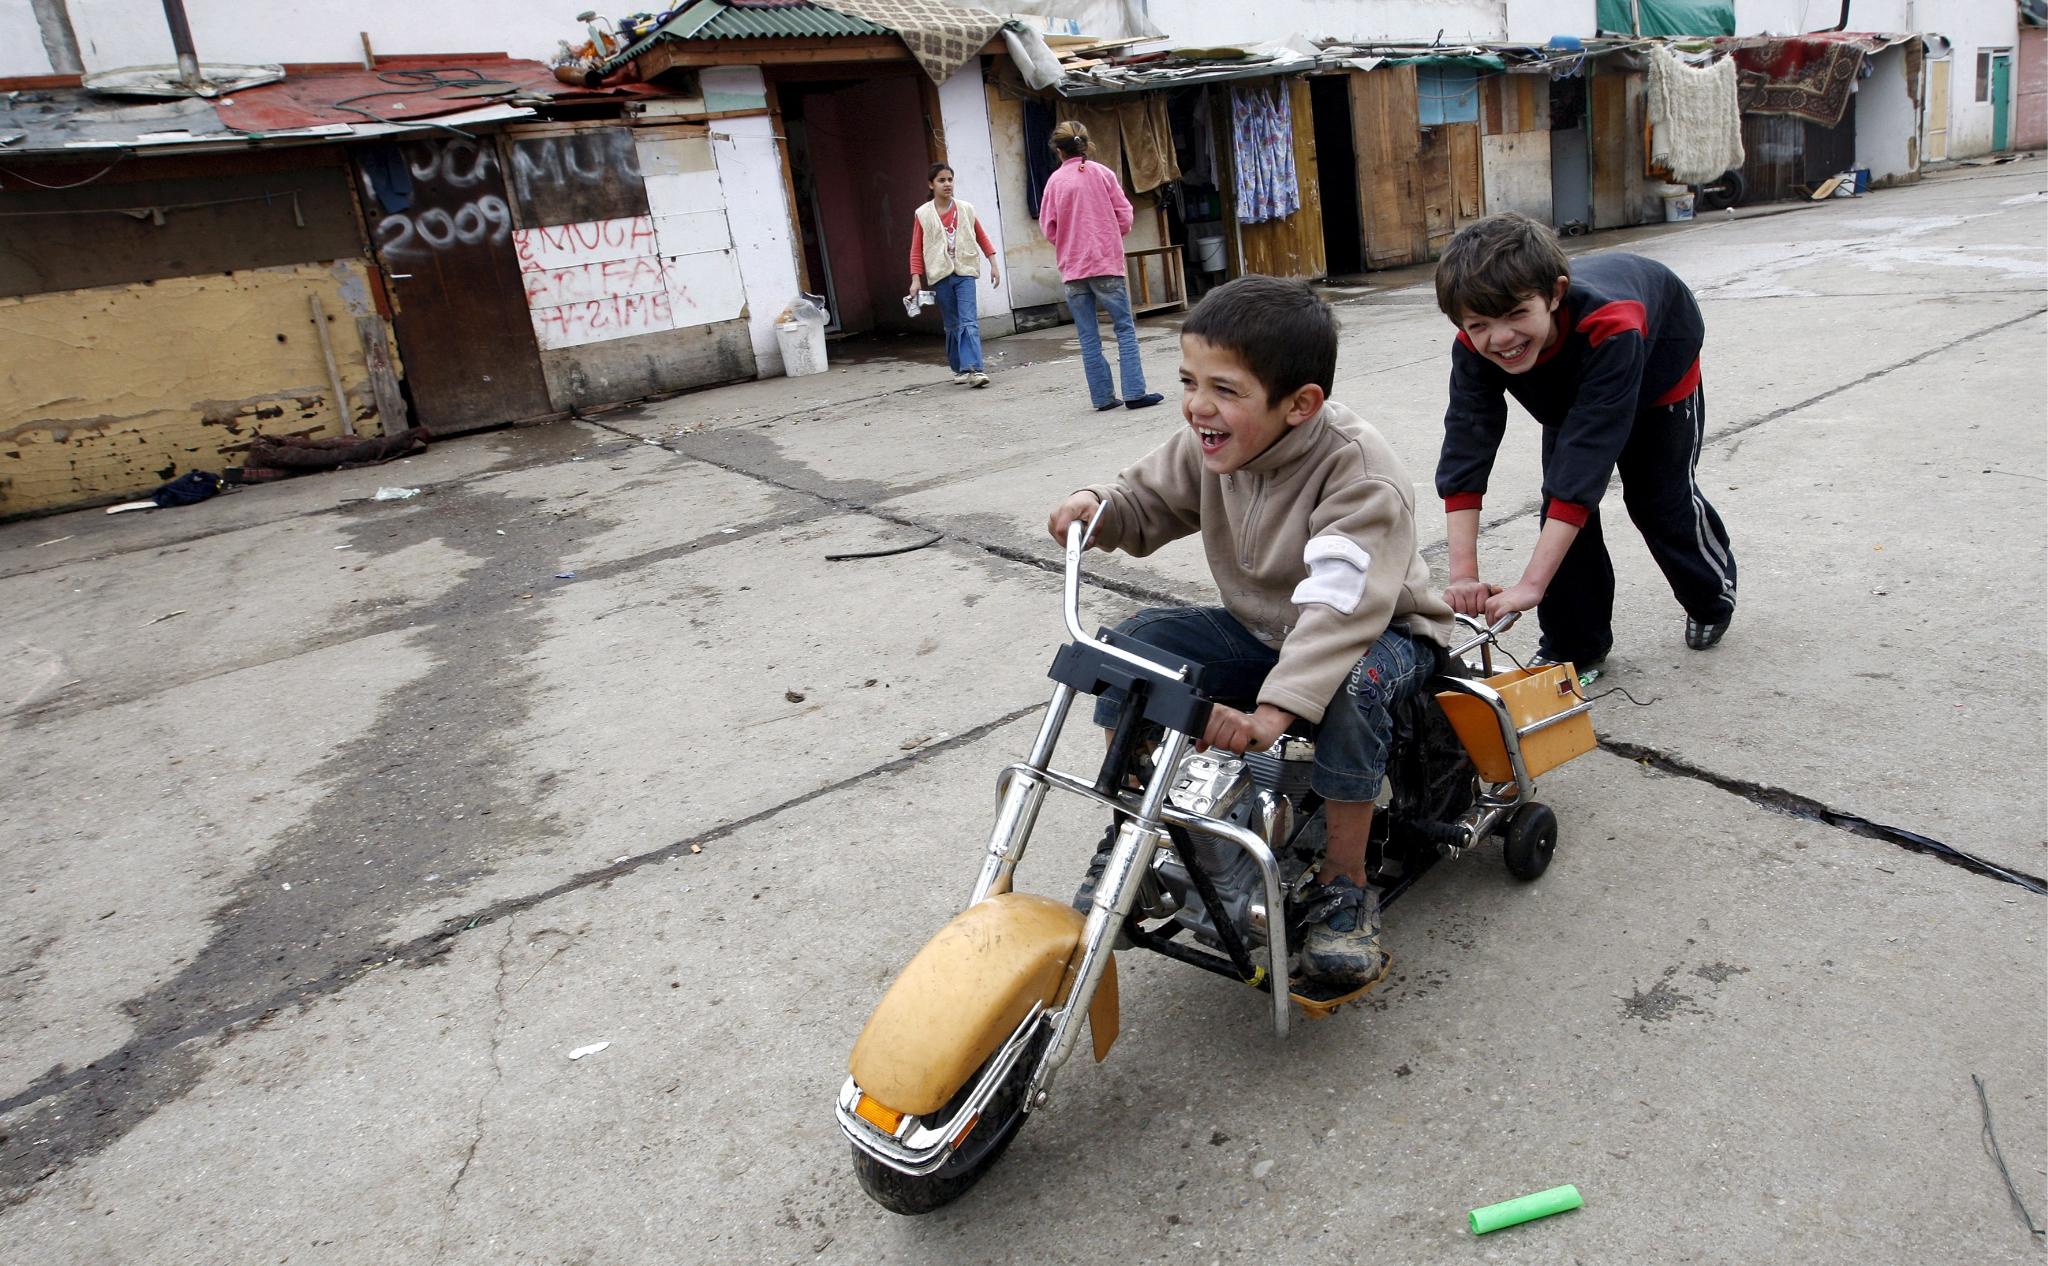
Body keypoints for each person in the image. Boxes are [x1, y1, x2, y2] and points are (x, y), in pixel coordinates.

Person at [1045, 276, 1455, 990]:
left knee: (1353, 692)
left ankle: (1345, 884)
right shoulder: (1210, 442)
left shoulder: (1358, 473)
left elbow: (1339, 610)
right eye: (1188, 380)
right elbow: (1145, 499)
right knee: (1134, 645)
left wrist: (1273, 712)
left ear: (1300, 405)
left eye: (1225, 389)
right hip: (1265, 628)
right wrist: (1100, 509)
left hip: (1380, 631)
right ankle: (1141, 833)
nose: (1199, 405)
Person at [1434, 212, 1736, 667]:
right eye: (1479, 324)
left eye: (1517, 313)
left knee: (1658, 501)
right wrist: (1463, 577)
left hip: (1658, 372)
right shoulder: (1474, 344)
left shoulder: (1613, 324)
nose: (1501, 337)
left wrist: (1531, 586)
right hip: (1568, 391)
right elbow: (1466, 445)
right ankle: (1575, 646)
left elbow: (1585, 468)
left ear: (1554, 294)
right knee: (1560, 511)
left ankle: (1712, 595)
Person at [1037, 121, 1163, 413]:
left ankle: (1103, 398)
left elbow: (1049, 228)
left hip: (1073, 269)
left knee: (1088, 334)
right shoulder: (1103, 174)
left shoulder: (1055, 182)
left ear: (1059, 151)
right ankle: (1134, 393)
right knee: (1124, 329)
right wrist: (1107, 234)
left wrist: (1070, 241)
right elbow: (1125, 216)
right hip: (1106, 262)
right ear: (1085, 144)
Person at [908, 162, 1000, 388]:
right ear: (931, 184)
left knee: (969, 320)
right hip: (940, 275)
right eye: (941, 180)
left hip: (965, 271)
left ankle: (975, 369)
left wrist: (993, 264)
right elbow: (916, 248)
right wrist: (915, 279)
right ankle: (959, 368)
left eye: (950, 179)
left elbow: (981, 236)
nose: (947, 184)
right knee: (952, 324)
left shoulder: (966, 209)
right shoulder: (923, 214)